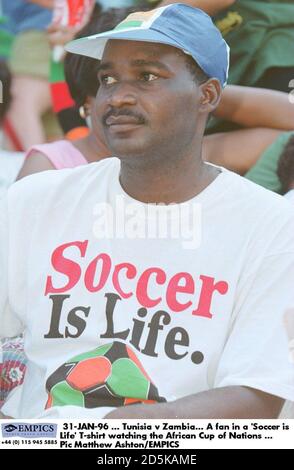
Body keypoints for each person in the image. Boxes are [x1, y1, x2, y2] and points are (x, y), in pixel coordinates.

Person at [1, 4, 294, 419]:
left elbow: (254, 399)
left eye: (147, 76)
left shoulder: (271, 227)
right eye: (108, 78)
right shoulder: (35, 201)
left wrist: (88, 434)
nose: (118, 95)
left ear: (207, 95)